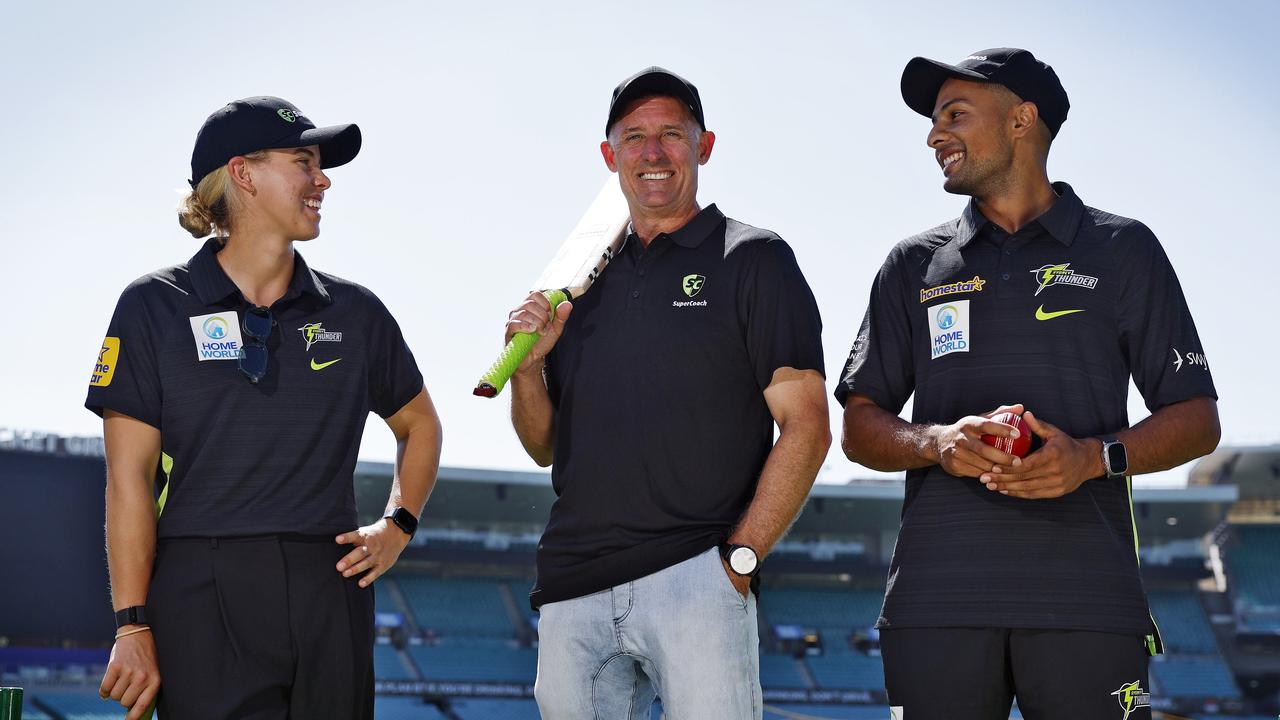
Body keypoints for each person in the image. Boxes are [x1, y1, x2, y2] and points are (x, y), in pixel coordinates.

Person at [836, 49, 1220, 720]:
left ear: (1022, 119)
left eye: (955, 114)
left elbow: (1196, 417)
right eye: (933, 120)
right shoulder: (912, 264)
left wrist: (1093, 458)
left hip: (1091, 605)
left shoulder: (1124, 249)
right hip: (937, 606)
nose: (934, 135)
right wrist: (935, 442)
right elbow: (860, 425)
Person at [85, 96, 442, 720]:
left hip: (330, 584)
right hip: (202, 589)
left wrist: (398, 525)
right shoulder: (153, 307)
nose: (322, 180)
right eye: (304, 162)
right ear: (243, 174)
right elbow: (127, 482)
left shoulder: (355, 313)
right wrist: (133, 626)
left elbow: (420, 425)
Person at [504, 67, 830, 719]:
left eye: (671, 135)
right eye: (634, 137)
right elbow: (544, 446)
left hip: (697, 577)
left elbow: (808, 426)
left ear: (704, 145)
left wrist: (737, 561)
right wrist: (526, 371)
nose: (652, 153)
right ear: (610, 155)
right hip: (574, 587)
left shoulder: (755, 258)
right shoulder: (576, 281)